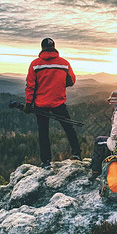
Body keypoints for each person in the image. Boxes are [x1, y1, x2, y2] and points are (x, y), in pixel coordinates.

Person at [24, 37, 81, 169]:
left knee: (43, 132)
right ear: (54, 47)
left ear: (42, 48)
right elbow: (71, 81)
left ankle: (45, 161)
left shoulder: (35, 64)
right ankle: (77, 154)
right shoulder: (64, 63)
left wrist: (28, 104)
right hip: (58, 102)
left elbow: (30, 86)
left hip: (41, 104)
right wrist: (58, 83)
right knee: (69, 128)